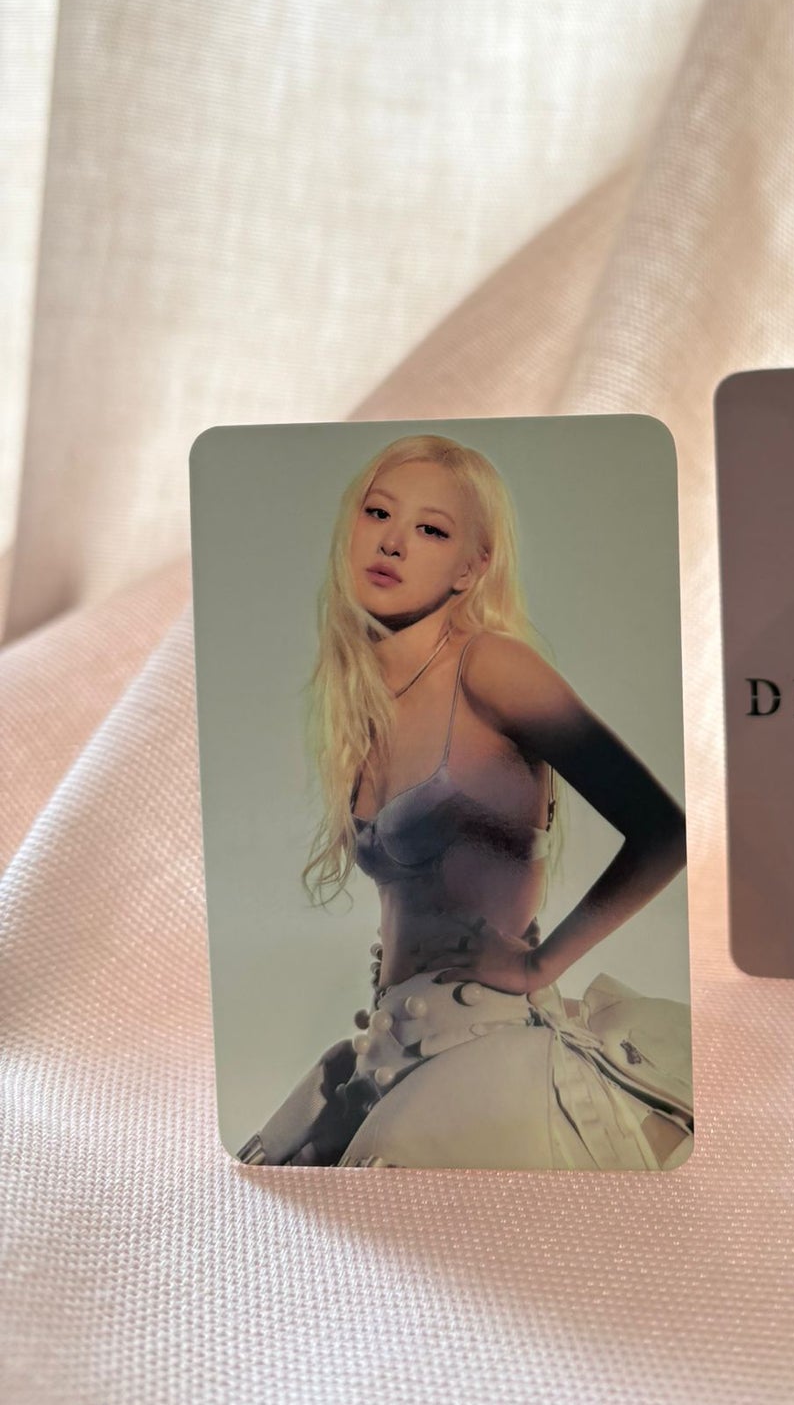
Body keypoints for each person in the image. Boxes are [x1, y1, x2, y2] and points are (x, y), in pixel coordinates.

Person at [235, 432, 693, 1171]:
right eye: (378, 514)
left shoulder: (492, 666)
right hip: (389, 1050)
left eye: (431, 530)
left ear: (471, 568)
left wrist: (539, 967)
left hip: (483, 1048)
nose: (393, 542)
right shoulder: (363, 707)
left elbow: (664, 831)